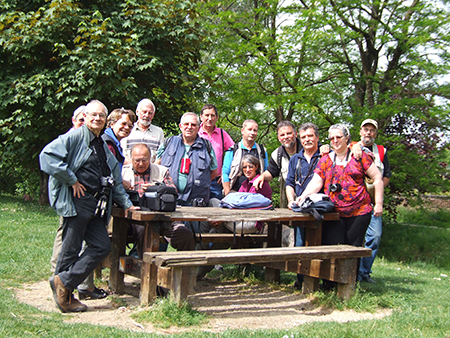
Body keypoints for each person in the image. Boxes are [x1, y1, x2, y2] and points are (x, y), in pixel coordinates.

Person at [40, 100, 136, 313]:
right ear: (85, 117)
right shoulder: (75, 137)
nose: (97, 119)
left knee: (102, 246)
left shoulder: (101, 143)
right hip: (77, 204)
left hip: (95, 205)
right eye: (93, 115)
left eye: (101, 116)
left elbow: (115, 179)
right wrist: (71, 179)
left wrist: (127, 204)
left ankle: (63, 281)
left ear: (105, 120)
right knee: (70, 250)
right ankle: (65, 296)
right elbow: (47, 157)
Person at [295, 123, 383, 289]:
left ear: (346, 138)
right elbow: (317, 181)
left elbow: (377, 178)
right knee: (332, 246)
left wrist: (378, 203)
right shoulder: (326, 159)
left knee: (353, 248)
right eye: (332, 138)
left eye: (338, 137)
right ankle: (330, 284)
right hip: (334, 212)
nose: (335, 141)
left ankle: (349, 284)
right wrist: (303, 196)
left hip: (359, 211)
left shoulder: (360, 156)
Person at [122, 144, 195, 258]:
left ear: (151, 158)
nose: (141, 164)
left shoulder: (162, 171)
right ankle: (146, 269)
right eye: (137, 160)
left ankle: (184, 271)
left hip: (163, 217)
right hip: (135, 219)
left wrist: (156, 187)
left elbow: (173, 192)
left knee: (185, 236)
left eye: (144, 160)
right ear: (131, 159)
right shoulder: (123, 173)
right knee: (145, 231)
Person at [285, 123, 323, 289]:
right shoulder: (295, 159)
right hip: (300, 209)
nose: (307, 139)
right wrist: (290, 199)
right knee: (299, 244)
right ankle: (301, 280)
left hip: (321, 209)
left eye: (310, 136)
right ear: (299, 138)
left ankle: (318, 280)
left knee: (320, 244)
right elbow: (289, 182)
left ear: (317, 137)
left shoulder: (325, 156)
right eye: (304, 137)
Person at [156, 112, 218, 206]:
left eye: (193, 125)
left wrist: (199, 182)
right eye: (186, 124)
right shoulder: (169, 142)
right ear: (180, 126)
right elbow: (157, 166)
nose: (189, 127)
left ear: (198, 127)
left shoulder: (206, 146)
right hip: (169, 199)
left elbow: (214, 171)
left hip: (196, 202)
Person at [357, 119, 392, 284]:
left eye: (371, 130)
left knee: (375, 236)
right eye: (365, 129)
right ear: (360, 132)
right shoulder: (351, 147)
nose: (368, 133)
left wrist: (375, 190)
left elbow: (386, 176)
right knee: (354, 238)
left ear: (375, 133)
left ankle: (364, 272)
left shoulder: (381, 151)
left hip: (372, 203)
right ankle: (353, 272)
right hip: (354, 203)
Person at [253, 121, 302, 207]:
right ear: (278, 138)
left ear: (296, 134)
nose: (286, 137)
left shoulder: (307, 148)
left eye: (289, 133)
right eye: (282, 135)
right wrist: (262, 176)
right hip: (292, 199)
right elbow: (271, 172)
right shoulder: (277, 154)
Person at [224, 154, 272, 234]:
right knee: (214, 202)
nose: (247, 170)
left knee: (220, 222)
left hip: (253, 224)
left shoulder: (260, 183)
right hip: (242, 219)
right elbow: (237, 202)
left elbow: (245, 206)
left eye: (250, 166)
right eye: (244, 167)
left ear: (256, 167)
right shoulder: (244, 184)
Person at [222, 120, 268, 196]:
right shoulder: (233, 150)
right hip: (235, 193)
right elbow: (225, 172)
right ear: (242, 131)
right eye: (249, 129)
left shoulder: (262, 151)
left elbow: (266, 172)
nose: (252, 133)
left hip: (256, 194)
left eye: (255, 130)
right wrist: (227, 194)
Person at [198, 104, 235, 200]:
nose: (209, 118)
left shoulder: (222, 134)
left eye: (212, 115)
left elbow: (234, 153)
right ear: (201, 117)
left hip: (216, 182)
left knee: (216, 208)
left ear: (217, 117)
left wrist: (226, 173)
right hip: (198, 180)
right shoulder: (195, 133)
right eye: (206, 115)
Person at [121, 98, 164, 164]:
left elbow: (160, 156)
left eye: (150, 113)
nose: (147, 115)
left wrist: (152, 169)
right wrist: (135, 168)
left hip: (152, 172)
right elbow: (123, 154)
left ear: (153, 115)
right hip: (129, 171)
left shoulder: (159, 132)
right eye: (144, 112)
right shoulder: (128, 129)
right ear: (137, 112)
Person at [102, 108, 136, 172]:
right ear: (112, 124)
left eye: (130, 126)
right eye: (123, 124)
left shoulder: (115, 144)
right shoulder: (108, 145)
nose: (127, 128)